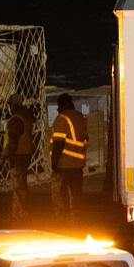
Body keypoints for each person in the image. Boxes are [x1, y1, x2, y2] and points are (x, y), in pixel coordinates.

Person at [50, 93, 88, 222]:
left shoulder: (61, 119)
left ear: (62, 105)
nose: (57, 109)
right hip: (78, 164)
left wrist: (54, 162)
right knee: (76, 193)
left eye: (58, 106)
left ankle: (63, 220)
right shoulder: (80, 117)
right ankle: (77, 219)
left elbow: (58, 143)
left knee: (60, 194)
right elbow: (85, 138)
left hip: (64, 164)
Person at [4, 93, 34, 219]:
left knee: (19, 186)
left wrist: (3, 158)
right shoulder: (26, 118)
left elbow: (12, 142)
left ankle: (24, 214)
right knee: (19, 186)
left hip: (17, 157)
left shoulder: (16, 120)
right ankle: (18, 214)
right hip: (25, 154)